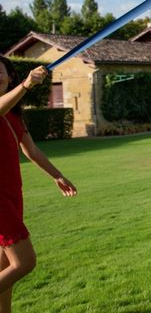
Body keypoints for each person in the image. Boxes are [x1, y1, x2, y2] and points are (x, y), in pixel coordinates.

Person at [0, 56, 77, 313]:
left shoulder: (14, 115)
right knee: (24, 263)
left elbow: (31, 150)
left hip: (11, 194)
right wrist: (26, 85)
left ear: (9, 76)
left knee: (4, 269)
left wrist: (57, 175)